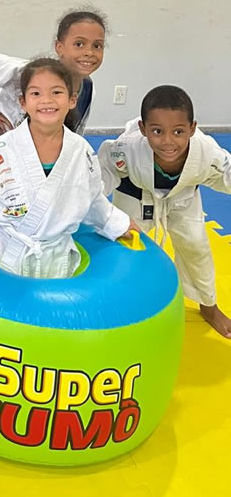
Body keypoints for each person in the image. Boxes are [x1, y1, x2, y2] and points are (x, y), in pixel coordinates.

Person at [0, 58, 135, 278]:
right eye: (36, 93)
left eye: (56, 92)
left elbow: (91, 198)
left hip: (57, 257)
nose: (46, 100)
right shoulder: (1, 150)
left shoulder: (81, 151)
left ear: (72, 100)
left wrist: (116, 223)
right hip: (9, 254)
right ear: (23, 102)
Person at [99, 85, 231, 338]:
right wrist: (95, 211)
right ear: (143, 129)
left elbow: (227, 173)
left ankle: (209, 305)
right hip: (135, 192)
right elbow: (99, 177)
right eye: (157, 131)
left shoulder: (206, 151)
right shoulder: (125, 148)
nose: (168, 141)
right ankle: (117, 299)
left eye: (178, 132)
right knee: (122, 246)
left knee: (196, 246)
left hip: (183, 194)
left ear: (192, 128)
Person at [0, 9, 107, 174]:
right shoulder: (34, 73)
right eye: (79, 44)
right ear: (59, 47)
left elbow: (74, 130)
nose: (89, 52)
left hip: (32, 160)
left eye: (97, 46)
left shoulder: (87, 89)